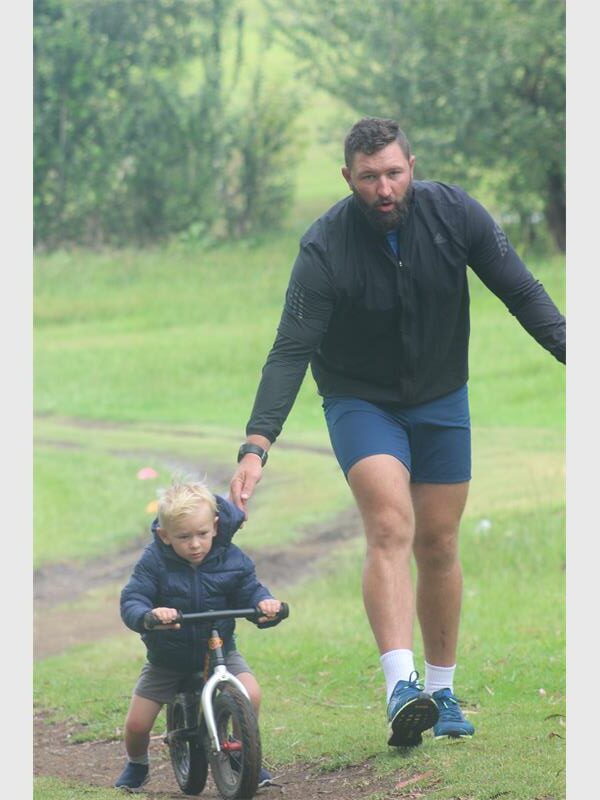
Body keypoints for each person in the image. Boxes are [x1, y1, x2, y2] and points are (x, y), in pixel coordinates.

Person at [229, 117, 565, 748]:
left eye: (393, 173)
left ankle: (442, 689)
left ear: (412, 164)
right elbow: (290, 349)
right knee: (389, 525)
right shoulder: (325, 246)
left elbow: (522, 292)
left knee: (438, 542)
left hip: (442, 397)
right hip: (361, 400)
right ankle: (400, 687)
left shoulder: (456, 214)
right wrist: (257, 443)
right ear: (347, 177)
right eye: (368, 177)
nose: (383, 189)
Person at [114, 479, 282, 791]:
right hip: (167, 658)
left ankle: (243, 753)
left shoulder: (232, 558)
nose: (195, 544)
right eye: (183, 537)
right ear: (165, 536)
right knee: (138, 724)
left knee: (251, 694)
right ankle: (137, 765)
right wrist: (150, 615)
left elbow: (250, 590)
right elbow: (133, 600)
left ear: (215, 527)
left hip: (220, 650)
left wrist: (264, 605)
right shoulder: (154, 562)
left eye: (202, 534)